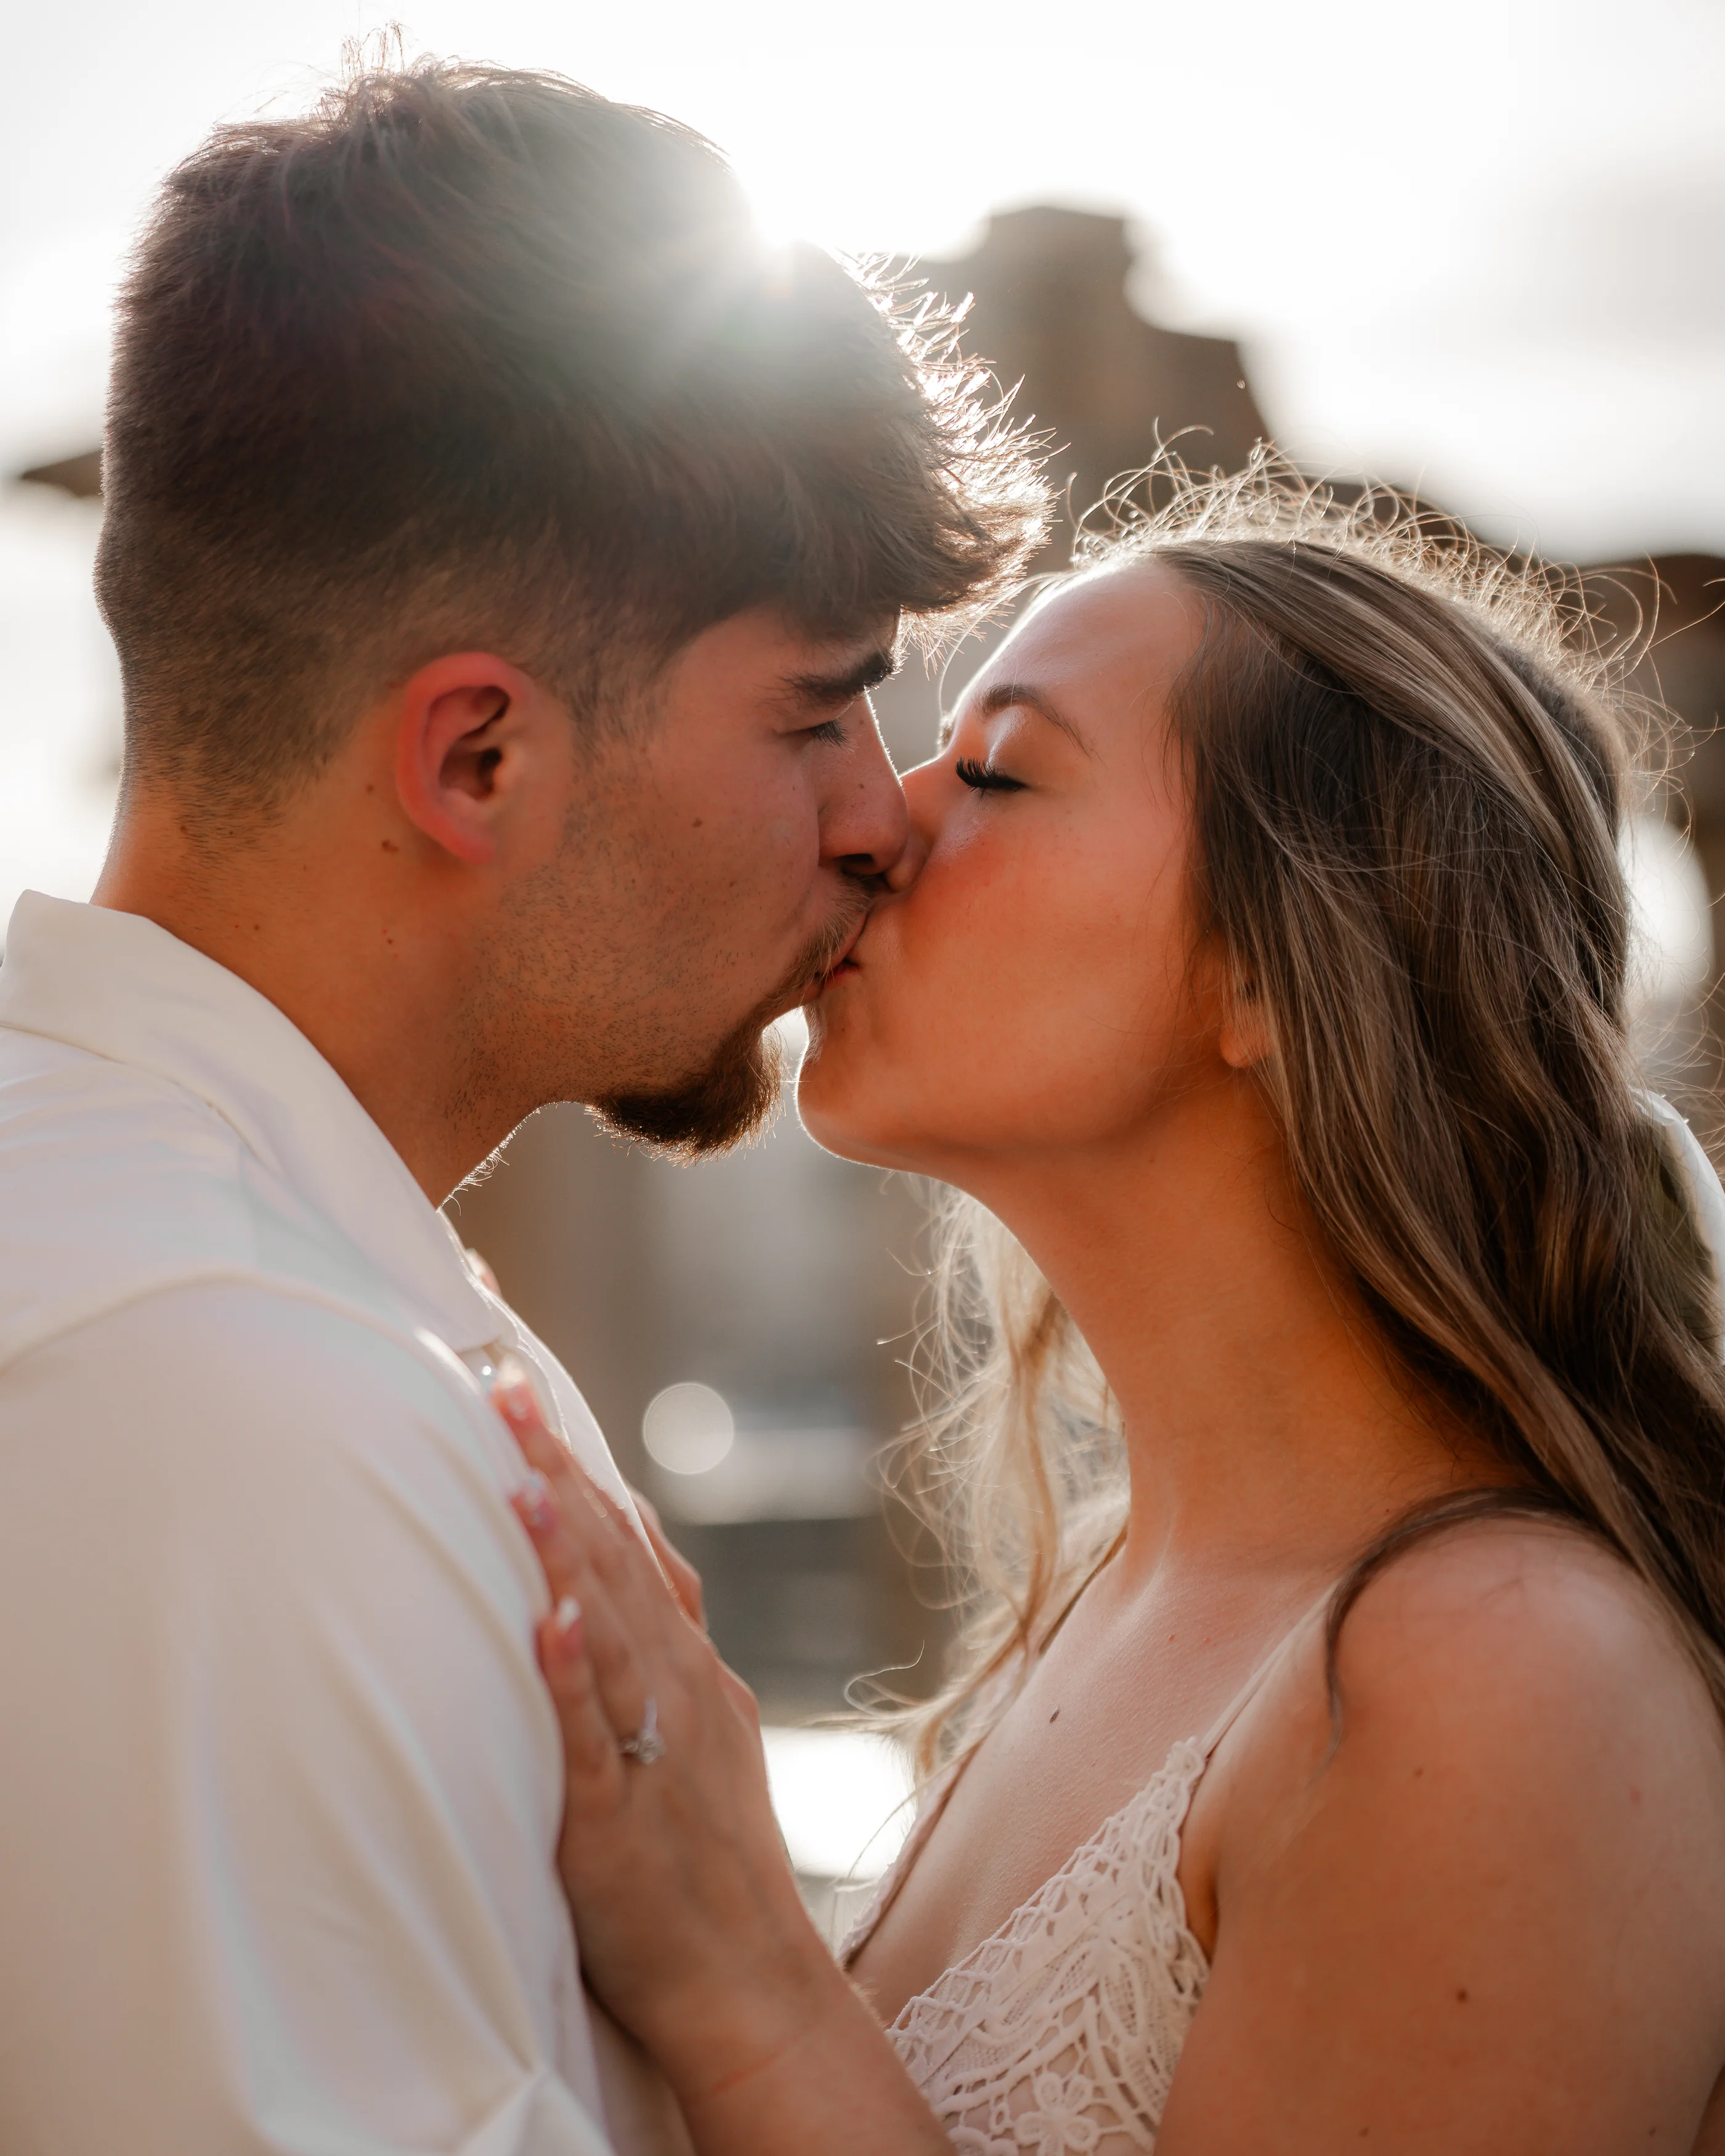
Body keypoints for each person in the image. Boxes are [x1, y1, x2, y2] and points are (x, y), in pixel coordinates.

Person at [0, 57, 1044, 2156]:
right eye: (815, 707)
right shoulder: (236, 1408)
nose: (880, 818)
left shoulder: (222, 1290)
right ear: (475, 757)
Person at [500, 472, 1725, 2154]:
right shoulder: (1110, 1600)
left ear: (1274, 967)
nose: (875, 823)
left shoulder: (1501, 1676)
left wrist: (741, 1966)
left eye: (997, 768)